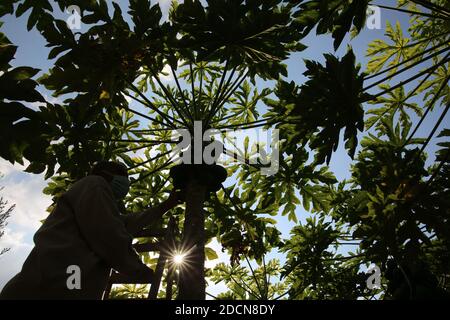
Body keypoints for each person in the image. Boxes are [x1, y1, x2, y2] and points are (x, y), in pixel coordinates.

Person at [0, 161, 181, 300]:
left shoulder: (96, 197)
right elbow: (109, 235)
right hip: (49, 288)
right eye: (123, 177)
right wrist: (139, 270)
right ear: (106, 174)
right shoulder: (95, 184)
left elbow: (122, 224)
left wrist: (166, 205)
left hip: (50, 286)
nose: (126, 183)